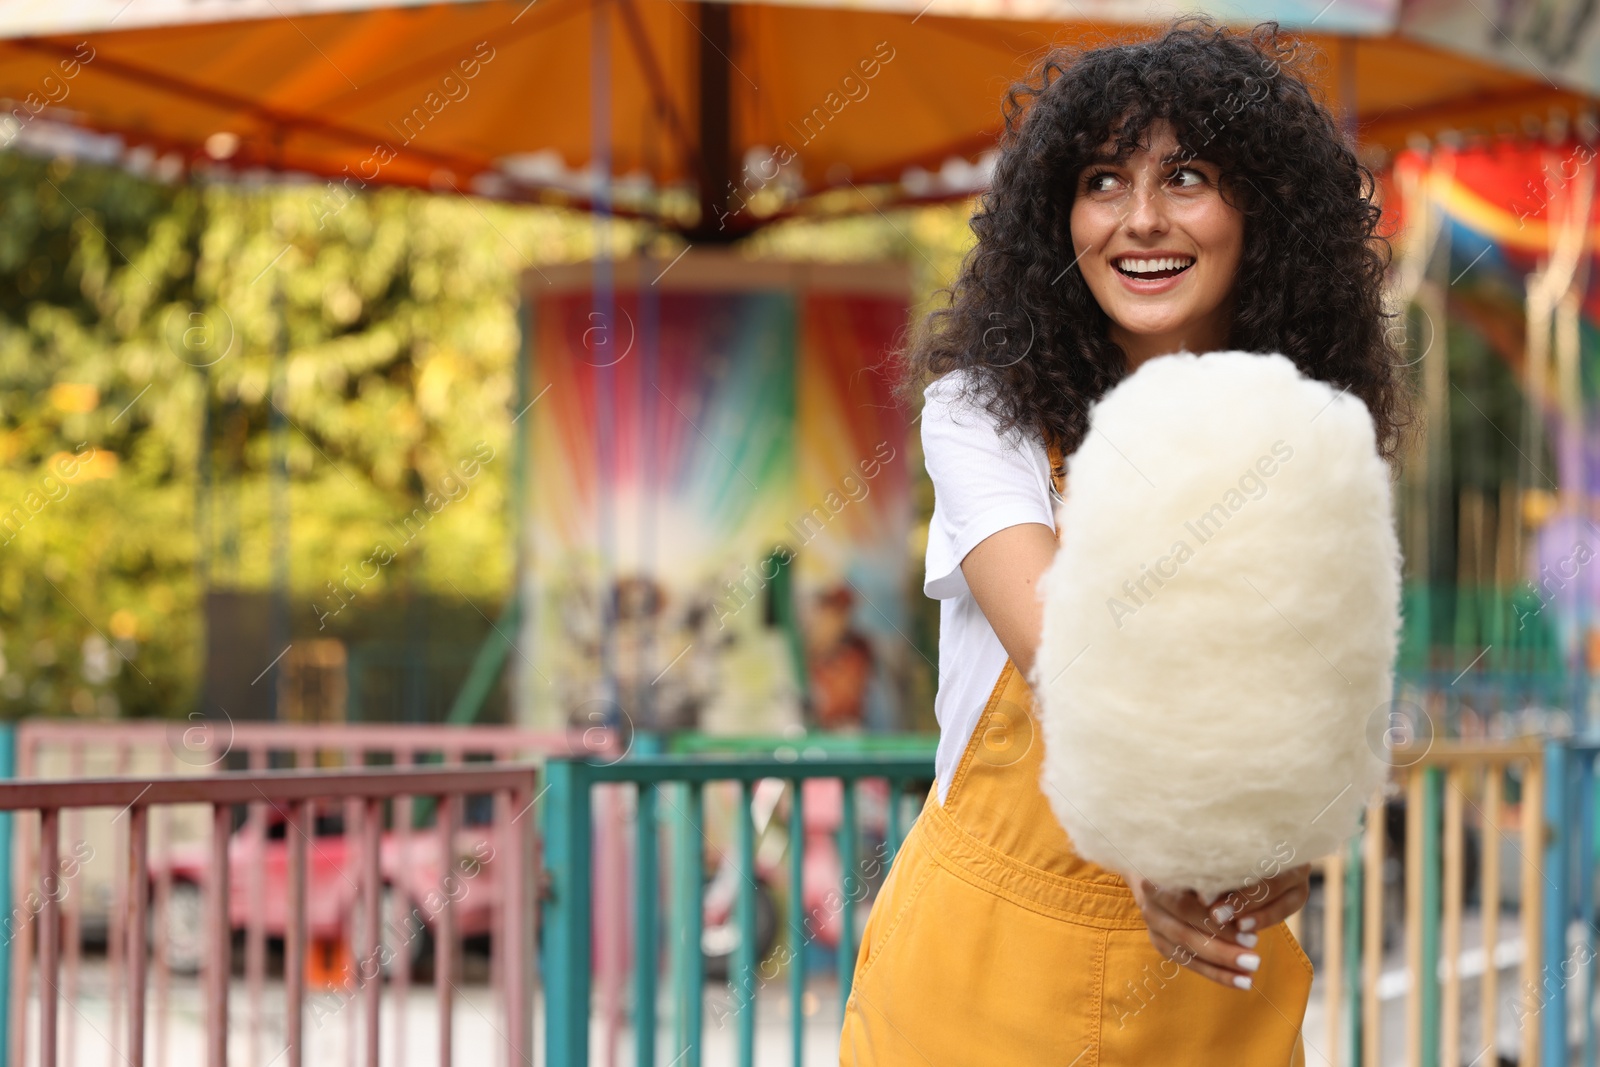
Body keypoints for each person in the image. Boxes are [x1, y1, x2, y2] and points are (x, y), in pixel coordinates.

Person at [839, 18, 1413, 1065]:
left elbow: (1327, 689)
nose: (1138, 221)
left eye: (1185, 177)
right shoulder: (983, 413)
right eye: (1102, 180)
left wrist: (1288, 843)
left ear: (1264, 212)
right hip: (978, 980)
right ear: (1058, 215)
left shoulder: (1308, 436)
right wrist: (1168, 835)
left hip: (1215, 977)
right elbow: (1069, 655)